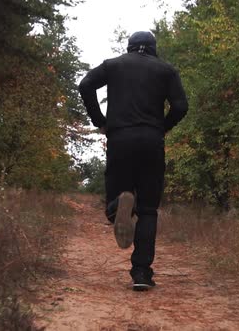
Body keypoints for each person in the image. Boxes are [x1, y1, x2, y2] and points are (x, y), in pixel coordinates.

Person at [78, 31, 188, 291]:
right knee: (148, 209)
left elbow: (85, 85)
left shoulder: (114, 65)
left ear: (129, 47)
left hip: (120, 140)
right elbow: (181, 106)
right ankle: (141, 273)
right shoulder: (166, 70)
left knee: (118, 195)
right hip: (151, 142)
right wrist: (162, 127)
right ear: (153, 48)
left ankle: (118, 207)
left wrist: (100, 121)